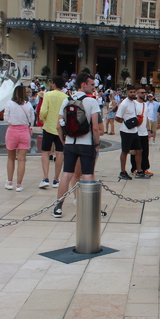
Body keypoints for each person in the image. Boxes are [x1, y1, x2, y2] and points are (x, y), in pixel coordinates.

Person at [52, 73, 101, 218]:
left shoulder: (67, 100)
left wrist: (63, 141)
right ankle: (91, 208)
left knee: (66, 174)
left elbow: (58, 125)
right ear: (83, 84)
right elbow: (96, 127)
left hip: (70, 143)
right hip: (86, 144)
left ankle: (58, 206)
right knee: (87, 175)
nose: (94, 87)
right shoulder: (92, 102)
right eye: (91, 84)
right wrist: (97, 144)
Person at [4, 85, 35, 191]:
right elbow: (31, 119)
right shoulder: (28, 105)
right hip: (24, 131)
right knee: (22, 159)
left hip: (12, 131)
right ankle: (19, 184)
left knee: (11, 158)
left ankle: (9, 182)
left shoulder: (9, 104)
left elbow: (6, 118)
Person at [39, 76, 68, 189]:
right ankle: (56, 179)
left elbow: (43, 110)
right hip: (60, 127)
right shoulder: (66, 97)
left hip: (49, 126)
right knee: (59, 153)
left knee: (45, 152)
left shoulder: (48, 95)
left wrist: (42, 118)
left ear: (54, 84)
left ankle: (46, 177)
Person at [115, 85, 147, 180]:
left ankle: (139, 170)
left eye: (134, 92)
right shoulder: (124, 104)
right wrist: (126, 123)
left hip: (134, 130)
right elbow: (117, 117)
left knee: (139, 150)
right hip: (126, 131)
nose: (132, 94)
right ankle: (122, 171)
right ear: (127, 93)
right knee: (125, 151)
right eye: (131, 92)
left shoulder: (133, 103)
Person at [130, 88, 153, 176]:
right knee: (135, 151)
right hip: (135, 131)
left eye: (145, 93)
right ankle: (134, 168)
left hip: (144, 132)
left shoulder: (145, 105)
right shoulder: (134, 104)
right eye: (142, 93)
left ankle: (145, 168)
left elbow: (146, 118)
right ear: (137, 93)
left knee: (145, 151)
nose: (144, 94)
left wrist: (148, 130)